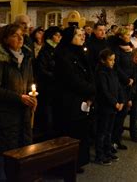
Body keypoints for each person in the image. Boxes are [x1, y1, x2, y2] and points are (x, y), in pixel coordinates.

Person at [0, 24, 36, 181]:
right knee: (3, 155)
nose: (21, 38)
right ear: (6, 39)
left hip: (23, 113)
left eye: (22, 34)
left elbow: (30, 82)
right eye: (15, 35)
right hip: (5, 115)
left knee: (22, 152)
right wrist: (19, 98)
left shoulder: (26, 57)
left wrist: (32, 97)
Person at [54, 26, 94, 170]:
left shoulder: (80, 52)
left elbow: (89, 73)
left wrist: (91, 93)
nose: (82, 37)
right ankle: (66, 165)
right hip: (69, 100)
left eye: (82, 34)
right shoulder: (63, 55)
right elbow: (72, 79)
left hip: (82, 98)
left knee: (80, 131)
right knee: (70, 132)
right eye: (78, 35)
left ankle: (77, 161)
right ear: (69, 37)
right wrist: (92, 89)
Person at [94, 48, 123, 165]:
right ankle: (99, 155)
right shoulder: (101, 73)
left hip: (114, 106)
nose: (113, 62)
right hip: (105, 106)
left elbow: (118, 87)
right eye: (110, 60)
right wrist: (115, 103)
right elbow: (104, 91)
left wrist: (121, 101)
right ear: (103, 60)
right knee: (102, 131)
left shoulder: (112, 71)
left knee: (109, 131)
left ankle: (107, 150)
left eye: (114, 60)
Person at [109, 28, 134, 151]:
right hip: (120, 84)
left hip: (129, 84)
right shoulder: (116, 50)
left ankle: (118, 139)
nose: (129, 37)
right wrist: (126, 79)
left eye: (130, 35)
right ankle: (112, 140)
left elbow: (133, 64)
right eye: (127, 35)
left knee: (124, 113)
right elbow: (117, 67)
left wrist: (133, 78)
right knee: (118, 113)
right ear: (121, 37)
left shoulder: (130, 48)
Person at [35, 26, 61, 139]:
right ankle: (48, 133)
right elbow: (42, 69)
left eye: (60, 35)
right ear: (51, 36)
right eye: (57, 35)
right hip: (48, 86)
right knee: (48, 109)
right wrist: (55, 76)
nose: (59, 37)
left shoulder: (57, 49)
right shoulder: (46, 50)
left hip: (55, 86)